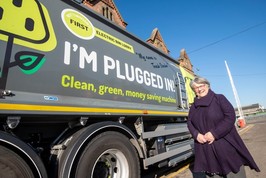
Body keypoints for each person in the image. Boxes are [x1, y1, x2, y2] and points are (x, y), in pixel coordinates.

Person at [187, 77, 260, 178]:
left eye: (201, 85)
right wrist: (196, 135)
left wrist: (214, 134)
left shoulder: (219, 98)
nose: (199, 89)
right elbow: (189, 122)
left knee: (234, 173)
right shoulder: (193, 107)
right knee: (213, 174)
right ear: (193, 90)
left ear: (207, 85)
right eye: (196, 87)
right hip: (206, 149)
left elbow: (230, 117)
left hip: (225, 144)